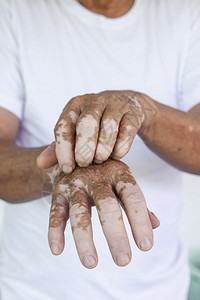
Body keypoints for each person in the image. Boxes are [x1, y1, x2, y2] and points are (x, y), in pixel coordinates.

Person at [0, 0, 199, 299]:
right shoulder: (15, 12)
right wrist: (63, 168)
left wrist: (143, 110)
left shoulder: (186, 14)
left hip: (159, 289)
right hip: (31, 290)